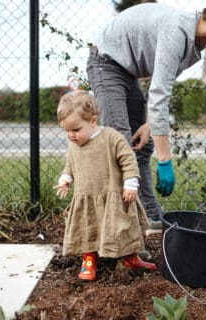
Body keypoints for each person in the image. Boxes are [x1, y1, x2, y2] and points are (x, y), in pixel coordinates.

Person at [86, 0, 206, 227]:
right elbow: (159, 94)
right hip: (106, 63)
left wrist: (148, 124)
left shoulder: (195, 46)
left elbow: (160, 85)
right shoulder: (177, 31)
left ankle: (150, 216)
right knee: (120, 145)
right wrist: (165, 160)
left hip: (127, 72)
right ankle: (117, 230)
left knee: (141, 145)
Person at [53, 90, 156, 281]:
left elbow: (128, 160)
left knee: (123, 227)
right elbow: (70, 164)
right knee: (87, 227)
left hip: (114, 195)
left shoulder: (111, 137)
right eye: (66, 131)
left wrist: (131, 183)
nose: (71, 136)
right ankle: (89, 260)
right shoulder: (73, 145)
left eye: (75, 130)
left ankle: (130, 257)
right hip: (86, 197)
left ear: (92, 121)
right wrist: (65, 178)